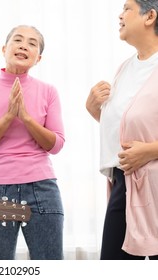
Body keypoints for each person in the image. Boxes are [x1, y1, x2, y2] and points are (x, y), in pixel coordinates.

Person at [0, 25, 65, 260]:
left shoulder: (48, 91)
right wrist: (9, 116)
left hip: (42, 187)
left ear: (38, 58)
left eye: (32, 43)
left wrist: (27, 118)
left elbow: (57, 144)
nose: (23, 45)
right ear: (4, 48)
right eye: (17, 40)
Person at [86, 0, 158, 260]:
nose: (120, 14)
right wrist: (94, 109)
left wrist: (150, 150)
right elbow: (129, 126)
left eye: (127, 8)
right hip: (124, 182)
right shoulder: (125, 69)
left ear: (150, 16)